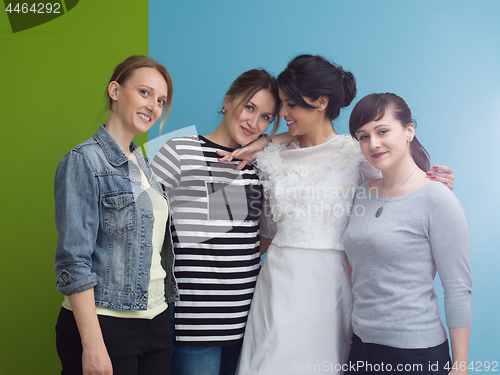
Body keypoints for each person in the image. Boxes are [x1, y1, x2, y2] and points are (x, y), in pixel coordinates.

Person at [218, 55, 455, 375]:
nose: (282, 114)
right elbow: (259, 230)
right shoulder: (268, 155)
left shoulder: (355, 154)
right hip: (276, 282)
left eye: (290, 105)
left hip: (332, 286)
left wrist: (434, 184)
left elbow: (403, 183)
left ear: (320, 102)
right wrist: (266, 141)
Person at [150, 69, 281, 375]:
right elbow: (146, 230)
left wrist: (267, 143)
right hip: (193, 323)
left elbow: (262, 235)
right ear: (227, 100)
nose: (254, 122)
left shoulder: (260, 165)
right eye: (250, 107)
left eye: (266, 117)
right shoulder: (177, 150)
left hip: (249, 322)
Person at [54, 55, 178, 375]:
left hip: (157, 320)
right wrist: (93, 344)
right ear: (115, 91)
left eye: (161, 100)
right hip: (106, 324)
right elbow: (73, 261)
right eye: (145, 93)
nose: (153, 106)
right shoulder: (85, 161)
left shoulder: (144, 165)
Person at [343, 93, 471, 375]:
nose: (373, 143)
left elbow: (457, 287)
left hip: (415, 352)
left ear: (409, 131)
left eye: (382, 131)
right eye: (363, 136)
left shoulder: (437, 198)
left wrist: (460, 366)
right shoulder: (361, 193)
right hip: (360, 346)